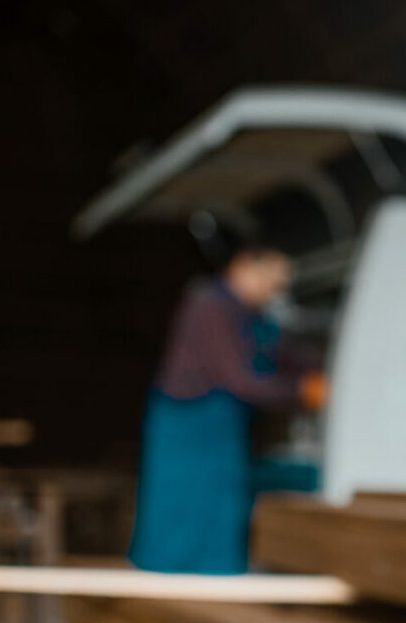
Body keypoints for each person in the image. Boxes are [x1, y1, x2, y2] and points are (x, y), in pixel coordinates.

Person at [129, 239, 325, 574]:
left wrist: (324, 372)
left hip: (222, 433)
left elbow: (288, 353)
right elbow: (242, 381)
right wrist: (304, 391)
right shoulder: (210, 304)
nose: (276, 289)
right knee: (180, 510)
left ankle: (212, 578)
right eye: (271, 278)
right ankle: (168, 582)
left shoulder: (256, 317)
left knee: (220, 512)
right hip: (189, 428)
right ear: (243, 266)